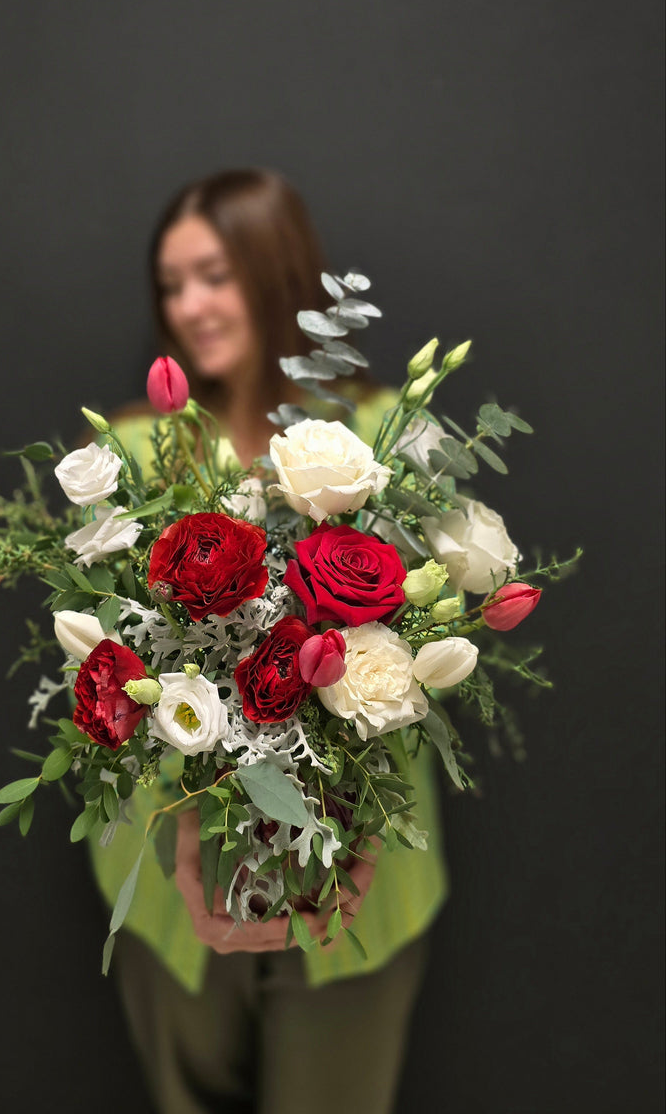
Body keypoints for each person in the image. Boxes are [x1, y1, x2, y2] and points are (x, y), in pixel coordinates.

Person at [88, 168, 448, 1114]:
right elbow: (105, 678)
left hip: (365, 880)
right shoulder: (129, 457)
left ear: (275, 268)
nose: (189, 306)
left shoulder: (384, 438)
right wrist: (193, 813)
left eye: (212, 273)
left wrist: (352, 814)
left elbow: (427, 653)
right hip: (173, 889)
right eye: (171, 286)